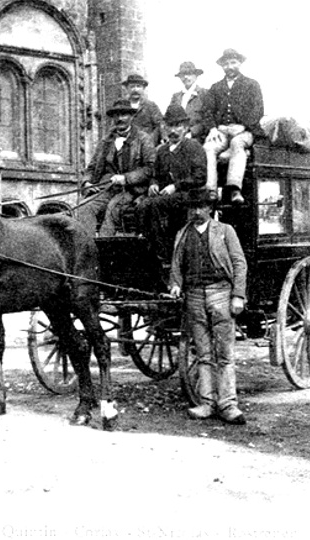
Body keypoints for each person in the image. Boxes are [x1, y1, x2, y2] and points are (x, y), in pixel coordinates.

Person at [169, 188, 248, 425]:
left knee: (224, 353)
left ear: (210, 209)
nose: (195, 211)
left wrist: (238, 295)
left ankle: (228, 405)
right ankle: (206, 403)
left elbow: (239, 263)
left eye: (200, 207)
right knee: (203, 354)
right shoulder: (182, 234)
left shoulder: (225, 231)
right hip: (193, 297)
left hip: (221, 294)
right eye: (192, 207)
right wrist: (175, 284)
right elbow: (176, 265)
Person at [138, 104, 209, 270]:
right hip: (168, 196)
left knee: (154, 205)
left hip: (190, 195)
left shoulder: (193, 147)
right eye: (170, 125)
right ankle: (149, 247)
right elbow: (155, 174)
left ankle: (165, 254)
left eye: (178, 126)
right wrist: (154, 184)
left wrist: (175, 186)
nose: (173, 130)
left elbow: (200, 177)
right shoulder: (162, 151)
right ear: (164, 127)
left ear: (185, 128)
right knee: (142, 206)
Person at [75, 99, 155, 236]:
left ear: (131, 117)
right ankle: (86, 249)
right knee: (84, 207)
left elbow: (150, 168)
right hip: (106, 189)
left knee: (112, 209)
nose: (120, 119)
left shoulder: (143, 139)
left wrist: (126, 178)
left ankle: (105, 251)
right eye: (116, 115)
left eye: (124, 115)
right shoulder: (106, 141)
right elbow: (92, 168)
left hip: (131, 190)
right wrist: (86, 182)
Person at [202, 48, 264, 204]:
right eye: (226, 64)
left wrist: (243, 126)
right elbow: (207, 111)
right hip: (221, 130)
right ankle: (211, 190)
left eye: (233, 63)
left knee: (237, 144)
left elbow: (258, 110)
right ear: (222, 66)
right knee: (208, 147)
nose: (229, 67)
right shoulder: (215, 88)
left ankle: (234, 189)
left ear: (240, 63)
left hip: (245, 131)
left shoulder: (251, 84)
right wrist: (213, 128)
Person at [168, 61, 211, 145]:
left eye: (189, 74)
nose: (186, 77)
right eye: (183, 75)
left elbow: (207, 119)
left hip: (197, 137)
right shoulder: (176, 97)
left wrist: (192, 132)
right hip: (177, 136)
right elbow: (169, 118)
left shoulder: (204, 94)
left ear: (196, 76)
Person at [123, 73, 164, 145]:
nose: (135, 89)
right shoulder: (122, 106)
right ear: (127, 89)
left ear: (143, 88)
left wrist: (150, 141)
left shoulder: (151, 106)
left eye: (138, 86)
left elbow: (159, 125)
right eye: (132, 87)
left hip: (147, 146)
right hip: (127, 146)